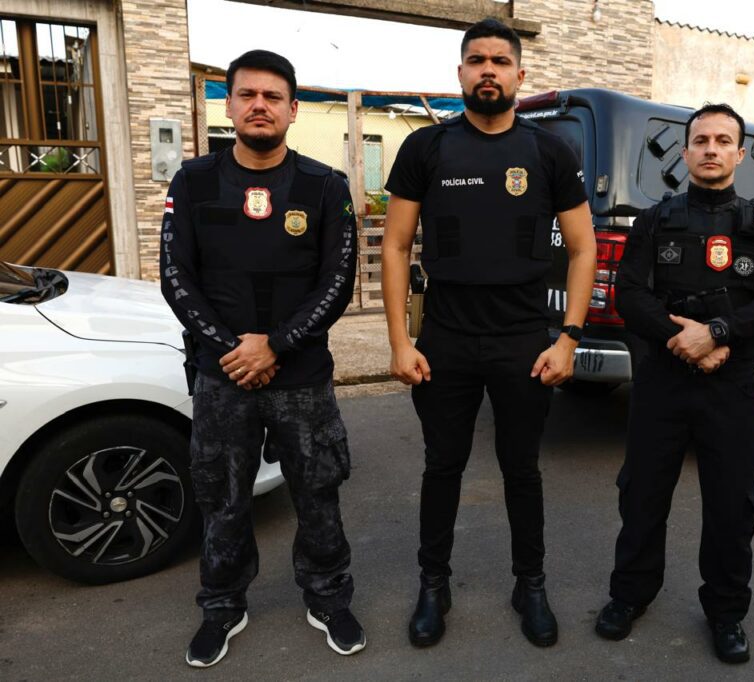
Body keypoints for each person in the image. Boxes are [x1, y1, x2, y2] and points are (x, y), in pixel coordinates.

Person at [381, 18, 596, 649]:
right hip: (445, 337)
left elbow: (583, 248)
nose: (488, 71)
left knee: (521, 469)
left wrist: (569, 338)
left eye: (500, 61)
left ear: (519, 75)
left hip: (523, 339)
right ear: (460, 72)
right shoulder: (426, 148)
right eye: (477, 60)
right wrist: (400, 341)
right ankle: (433, 585)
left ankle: (530, 585)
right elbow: (395, 247)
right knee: (442, 466)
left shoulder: (549, 153)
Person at [159, 49, 363, 667]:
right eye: (247, 95)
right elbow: (176, 277)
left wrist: (274, 345)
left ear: (293, 109)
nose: (259, 106)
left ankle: (328, 598)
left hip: (302, 378)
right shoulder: (193, 183)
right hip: (223, 378)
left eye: (273, 97)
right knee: (222, 498)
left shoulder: (324, 187)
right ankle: (222, 606)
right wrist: (234, 350)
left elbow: (337, 282)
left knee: (318, 493)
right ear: (228, 105)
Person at [594, 103, 754, 663]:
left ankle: (726, 613)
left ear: (741, 153)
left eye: (723, 140)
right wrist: (682, 339)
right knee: (642, 494)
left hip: (732, 384)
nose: (711, 149)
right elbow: (629, 294)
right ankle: (629, 595)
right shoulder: (654, 221)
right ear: (685, 153)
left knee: (733, 506)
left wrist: (718, 335)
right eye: (701, 140)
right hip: (663, 381)